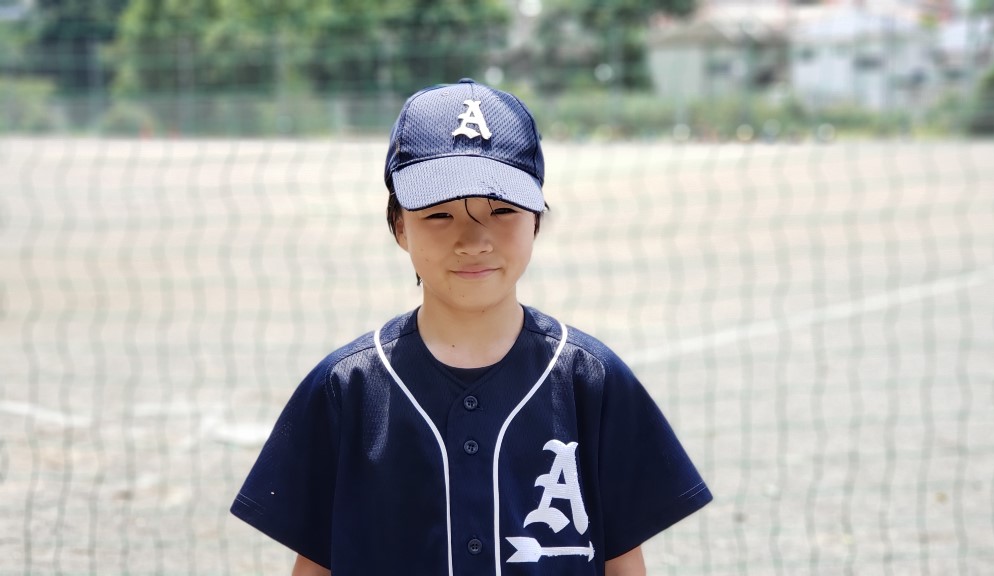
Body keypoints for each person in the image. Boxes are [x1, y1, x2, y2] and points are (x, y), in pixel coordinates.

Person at [230, 79, 712, 576]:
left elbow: (623, 563)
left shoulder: (591, 380)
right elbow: (314, 565)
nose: (474, 240)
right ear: (398, 225)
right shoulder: (346, 388)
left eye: (502, 209)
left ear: (537, 219)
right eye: (439, 213)